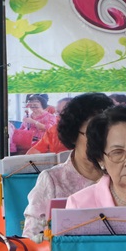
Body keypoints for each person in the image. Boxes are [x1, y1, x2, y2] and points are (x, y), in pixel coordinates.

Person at [22, 93, 114, 240]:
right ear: (73, 135)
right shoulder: (52, 180)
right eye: (92, 134)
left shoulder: (122, 177)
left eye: (107, 134)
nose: (100, 141)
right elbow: (31, 238)